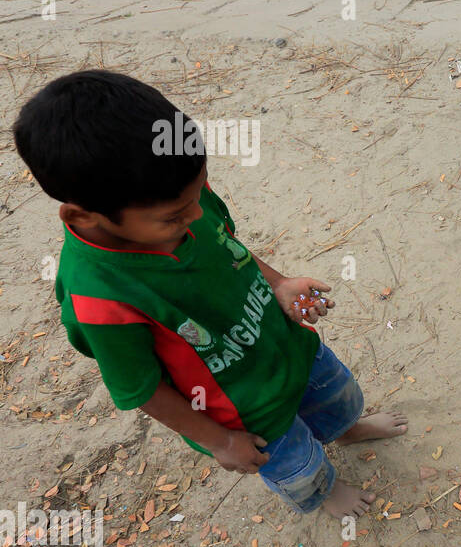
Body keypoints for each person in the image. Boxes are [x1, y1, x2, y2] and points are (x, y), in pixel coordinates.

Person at [12, 71, 406, 519]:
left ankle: (346, 429)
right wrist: (220, 442)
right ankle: (327, 491)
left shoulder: (177, 194)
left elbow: (226, 242)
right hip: (244, 409)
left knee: (337, 397)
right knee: (296, 463)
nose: (198, 214)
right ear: (85, 218)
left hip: (285, 344)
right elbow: (142, 389)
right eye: (178, 215)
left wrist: (278, 284)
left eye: (200, 192)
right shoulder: (98, 297)